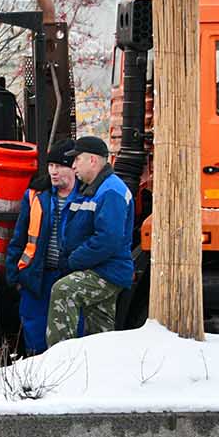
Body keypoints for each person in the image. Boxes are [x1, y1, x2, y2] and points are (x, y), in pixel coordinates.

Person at [47, 135, 135, 346]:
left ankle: (60, 361)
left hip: (106, 270)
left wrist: (74, 260)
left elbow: (108, 239)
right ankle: (103, 367)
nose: (73, 165)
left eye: (77, 159)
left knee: (63, 290)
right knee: (100, 332)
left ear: (93, 161)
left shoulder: (110, 191)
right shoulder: (94, 188)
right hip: (101, 268)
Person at [6, 141, 77, 355]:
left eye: (60, 166)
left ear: (74, 167)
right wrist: (14, 274)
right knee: (35, 337)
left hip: (69, 277)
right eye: (51, 166)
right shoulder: (36, 195)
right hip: (37, 277)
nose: (53, 172)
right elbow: (19, 235)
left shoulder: (88, 197)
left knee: (72, 340)